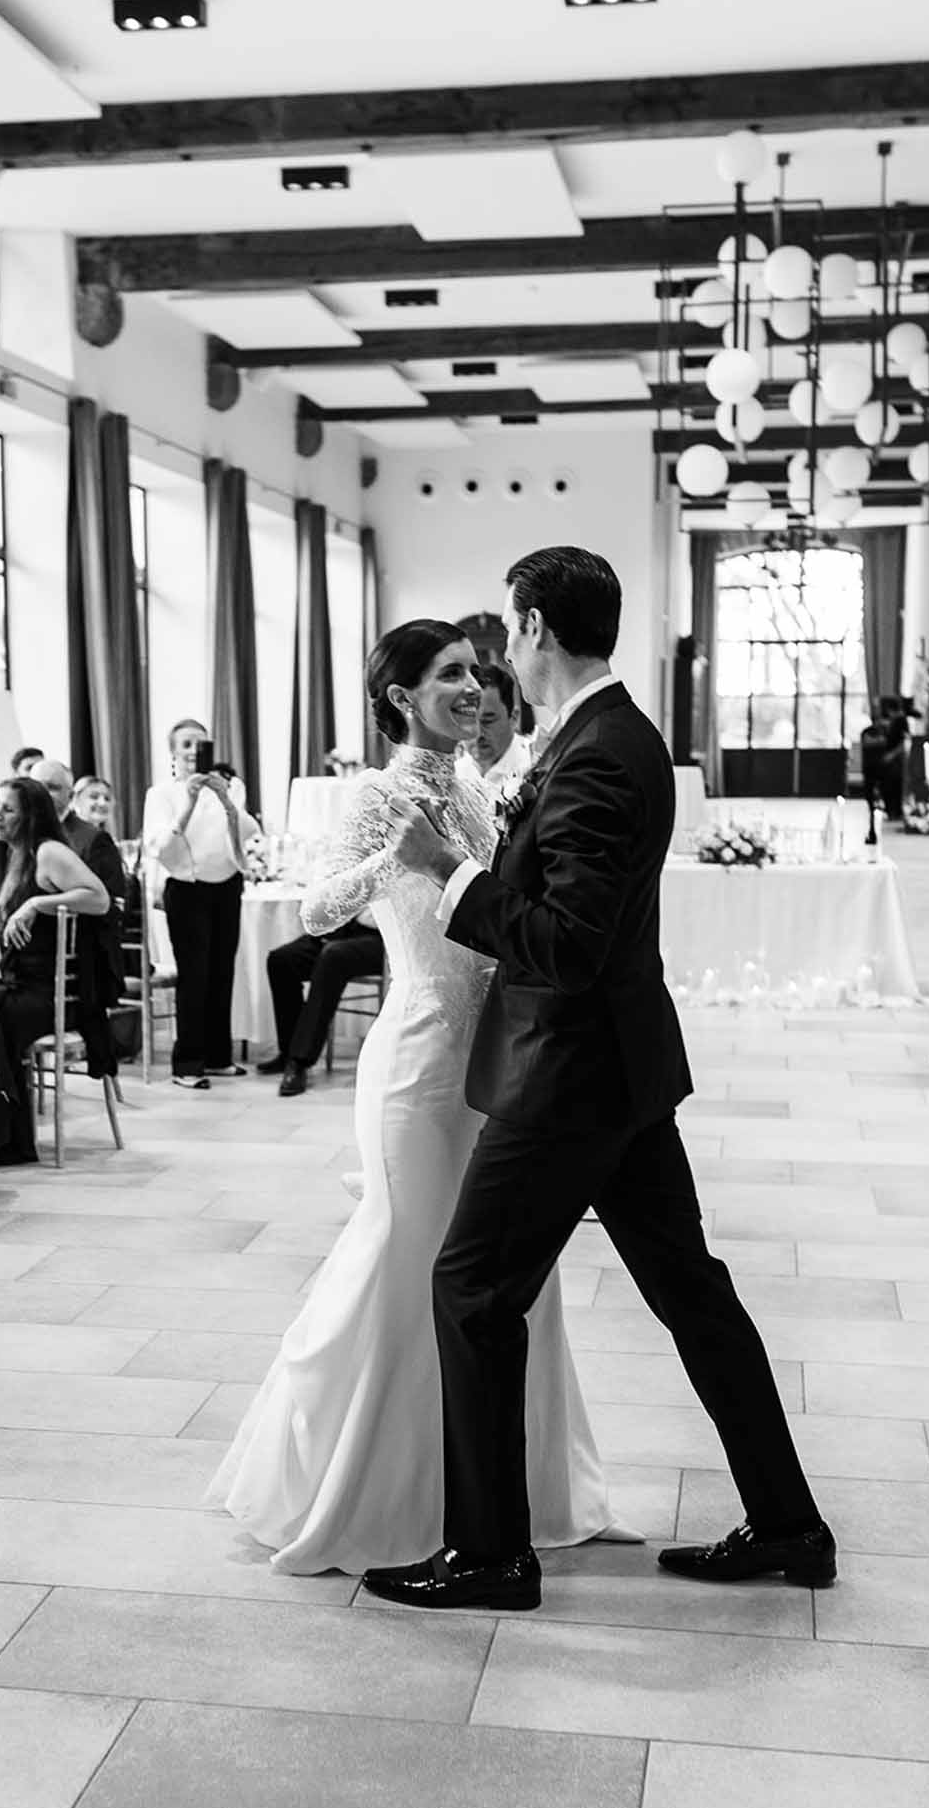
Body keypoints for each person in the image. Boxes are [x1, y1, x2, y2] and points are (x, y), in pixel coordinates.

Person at [362, 548, 832, 1614]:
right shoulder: (602, 738)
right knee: (692, 1294)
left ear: (531, 628)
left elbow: (565, 942)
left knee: (471, 1288)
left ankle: (489, 1553)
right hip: (614, 1067)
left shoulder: (599, 755)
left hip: (569, 1069)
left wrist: (457, 876)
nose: (500, 658)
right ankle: (791, 1524)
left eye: (507, 635)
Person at [208, 619, 629, 1575]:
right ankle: (379, 1494)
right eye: (449, 676)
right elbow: (316, 911)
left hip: (500, 1060)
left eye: (477, 673)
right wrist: (392, 859)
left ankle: (519, 1490)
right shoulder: (378, 792)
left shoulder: (480, 788)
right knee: (412, 1256)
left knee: (508, 1272)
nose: (474, 689)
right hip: (420, 1057)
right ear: (401, 698)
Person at [0, 778, 109, 1163]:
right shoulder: (5, 856)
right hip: (17, 983)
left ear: (30, 816)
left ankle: (9, 1141)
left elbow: (99, 899)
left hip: (51, 992)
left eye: (8, 809)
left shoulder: (48, 852)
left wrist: (36, 905)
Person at [141, 719, 259, 1089]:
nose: (194, 751)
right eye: (186, 744)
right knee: (194, 975)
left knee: (222, 971)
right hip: (187, 887)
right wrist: (190, 801)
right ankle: (187, 1064)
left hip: (227, 885)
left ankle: (218, 1056)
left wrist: (224, 798)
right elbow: (160, 844)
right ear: (173, 751)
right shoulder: (161, 793)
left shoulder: (230, 786)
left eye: (200, 744)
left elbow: (248, 831)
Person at [29, 759, 128, 1079]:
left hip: (83, 960)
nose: (43, 793)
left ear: (70, 795)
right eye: (38, 786)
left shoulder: (91, 839)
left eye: (53, 787)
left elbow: (111, 906)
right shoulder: (24, 839)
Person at [260, 915, 386, 1097]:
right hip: (343, 930)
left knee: (333, 956)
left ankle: (300, 1060)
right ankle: (288, 1052)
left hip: (380, 938)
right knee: (281, 960)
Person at [457, 661, 533, 793]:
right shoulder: (456, 772)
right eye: (468, 720)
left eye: (488, 721)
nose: (477, 733)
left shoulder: (532, 766)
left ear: (514, 718)